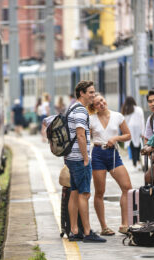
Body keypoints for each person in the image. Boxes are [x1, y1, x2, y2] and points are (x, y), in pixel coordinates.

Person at [65, 80, 106, 243]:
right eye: (90, 92)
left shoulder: (71, 107)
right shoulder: (81, 111)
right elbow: (81, 135)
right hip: (79, 158)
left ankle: (74, 231)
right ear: (81, 93)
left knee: (74, 193)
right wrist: (86, 157)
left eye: (94, 92)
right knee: (85, 194)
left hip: (70, 157)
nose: (93, 95)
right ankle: (88, 232)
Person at [88, 93, 132, 235]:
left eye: (102, 100)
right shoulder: (91, 119)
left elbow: (128, 135)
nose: (101, 104)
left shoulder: (117, 116)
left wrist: (116, 138)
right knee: (100, 192)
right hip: (98, 155)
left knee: (127, 188)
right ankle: (104, 227)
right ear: (94, 107)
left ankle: (124, 224)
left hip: (113, 155)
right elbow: (85, 138)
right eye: (97, 103)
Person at [121, 97, 145, 167]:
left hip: (129, 128)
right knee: (139, 145)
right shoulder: (139, 109)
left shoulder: (125, 109)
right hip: (138, 128)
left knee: (132, 146)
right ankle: (138, 160)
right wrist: (143, 131)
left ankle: (134, 161)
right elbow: (142, 120)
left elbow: (124, 121)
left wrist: (124, 131)